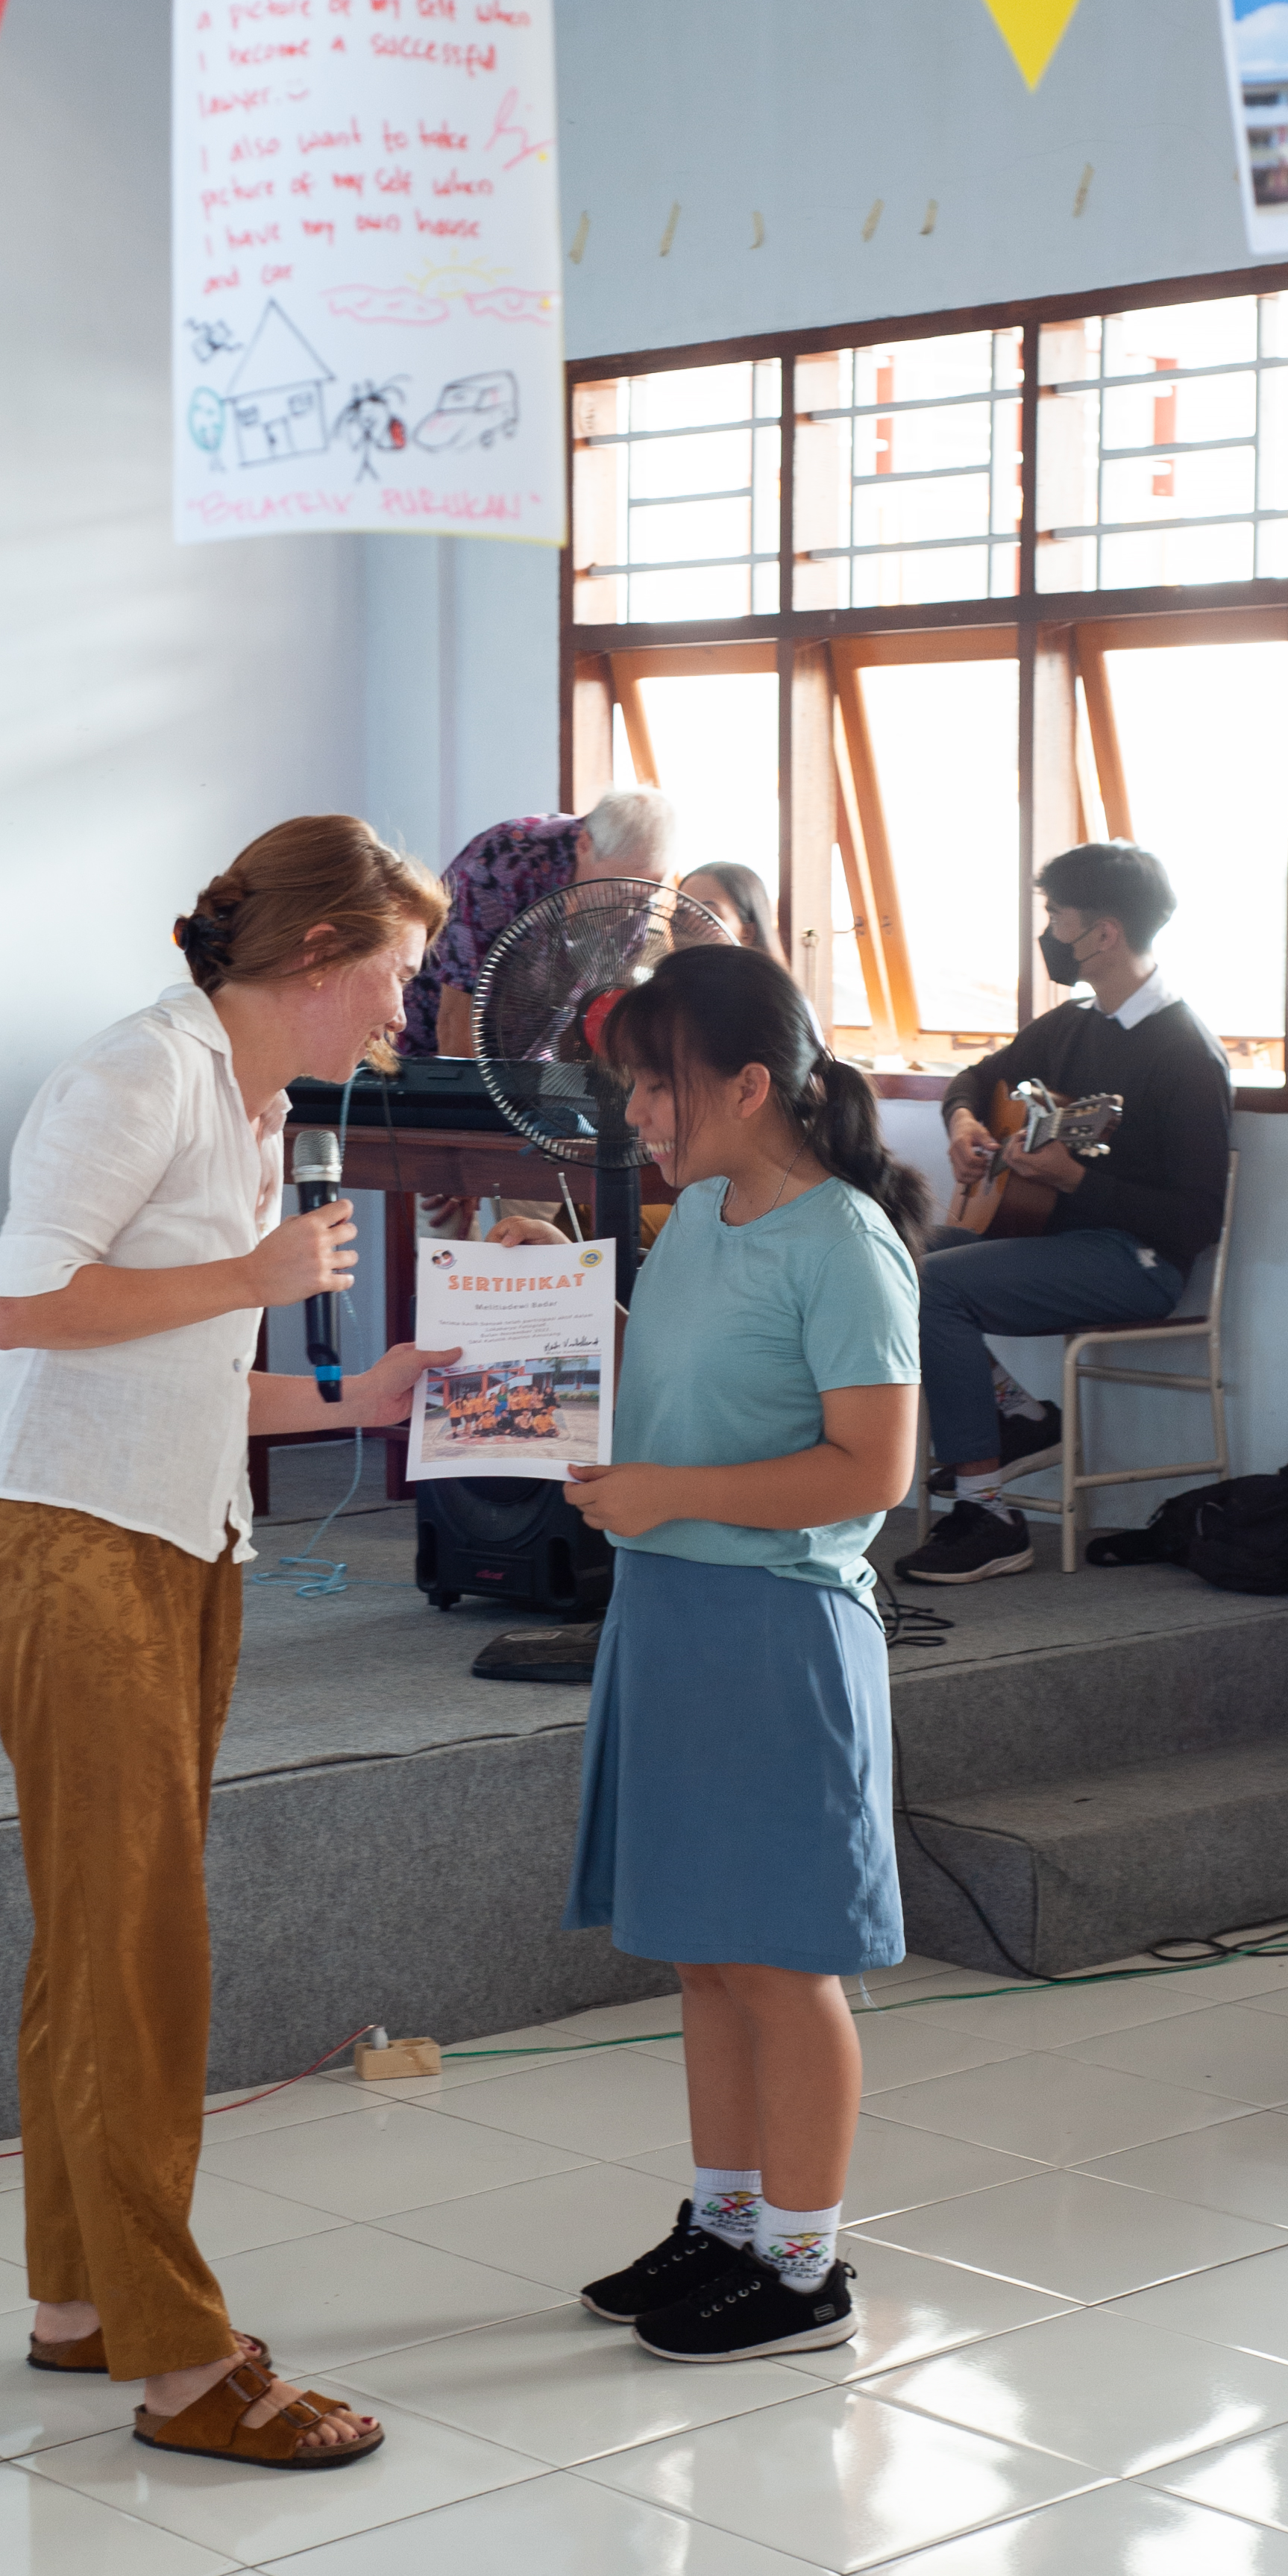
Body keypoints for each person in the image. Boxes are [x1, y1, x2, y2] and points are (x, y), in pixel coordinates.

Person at [0, 815, 456, 2472]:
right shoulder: (141, 1073)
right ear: (316, 953)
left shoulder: (257, 1104)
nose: (405, 1010)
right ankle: (180, 2363)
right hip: (66, 1542)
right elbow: (24, 1305)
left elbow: (187, 1370)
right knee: (141, 1954)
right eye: (394, 973)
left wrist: (360, 1395)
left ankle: (80, 2298)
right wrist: (252, 1267)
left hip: (171, 1536)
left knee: (97, 1943)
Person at [489, 944, 925, 2362]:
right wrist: (558, 1301)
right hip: (669, 1612)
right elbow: (677, 1377)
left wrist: (670, 1492)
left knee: (779, 1961)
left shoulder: (844, 1240)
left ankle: (802, 2268)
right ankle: (728, 2221)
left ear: (749, 1085)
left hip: (776, 1630)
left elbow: (871, 1468)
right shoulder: (696, 1218)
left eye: (654, 1087)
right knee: (700, 1952)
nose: (634, 1117)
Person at [898, 839, 1232, 1588]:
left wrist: (1073, 1178)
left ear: (1104, 933)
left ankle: (989, 1514)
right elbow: (978, 1076)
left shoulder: (1185, 1054)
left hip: (1137, 1262)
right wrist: (963, 1123)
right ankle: (1018, 1416)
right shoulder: (1075, 1023)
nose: (1048, 932)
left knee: (934, 1286)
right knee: (887, 1256)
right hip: (1050, 1237)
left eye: (1057, 917)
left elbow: (1195, 1219)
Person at [400, 783, 677, 1059]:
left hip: (528, 1056)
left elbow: (591, 1014)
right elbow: (455, 1017)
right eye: (620, 891)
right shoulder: (504, 862)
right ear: (584, 845)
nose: (630, 911)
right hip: (431, 1043)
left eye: (646, 896)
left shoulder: (635, 894)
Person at [676, 859, 788, 965]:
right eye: (681, 913)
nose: (688, 926)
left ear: (747, 933)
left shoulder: (761, 980)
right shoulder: (670, 977)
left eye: (708, 916)